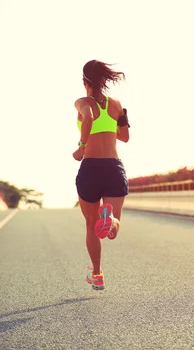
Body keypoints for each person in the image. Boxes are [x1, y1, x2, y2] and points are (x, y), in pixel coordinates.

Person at [73, 59, 130, 290]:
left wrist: (82, 145)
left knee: (90, 224)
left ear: (84, 81)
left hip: (91, 168)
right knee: (112, 230)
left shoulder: (83, 101)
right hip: (113, 168)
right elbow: (124, 137)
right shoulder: (116, 104)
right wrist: (110, 128)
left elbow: (88, 118)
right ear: (105, 80)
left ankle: (97, 275)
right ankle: (111, 219)